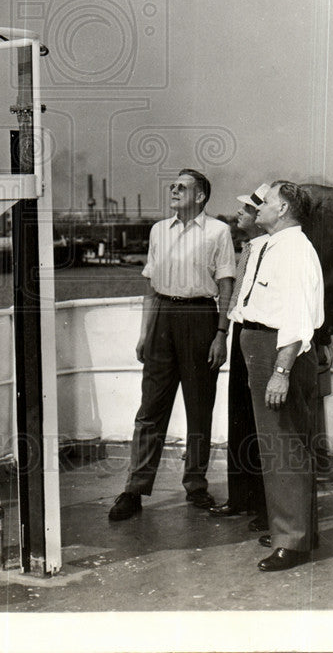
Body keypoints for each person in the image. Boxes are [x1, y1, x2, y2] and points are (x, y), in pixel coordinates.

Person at [108, 168, 236, 520]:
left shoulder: (219, 232)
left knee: (199, 410)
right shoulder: (158, 231)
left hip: (200, 318)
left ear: (201, 197)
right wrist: (144, 333)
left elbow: (226, 286)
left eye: (183, 187)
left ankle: (195, 486)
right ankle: (134, 490)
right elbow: (151, 288)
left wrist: (221, 334)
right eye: (173, 185)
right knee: (150, 409)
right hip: (163, 316)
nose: (174, 190)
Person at [232, 180, 324, 571]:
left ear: (284, 208)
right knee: (284, 443)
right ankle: (299, 528)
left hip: (277, 350)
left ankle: (293, 541)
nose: (260, 208)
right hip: (260, 344)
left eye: (267, 202)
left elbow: (299, 318)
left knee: (282, 444)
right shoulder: (273, 246)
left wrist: (281, 371)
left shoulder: (296, 250)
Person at [208, 185, 270, 528]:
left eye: (248, 209)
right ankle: (240, 497)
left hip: (258, 336)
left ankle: (262, 505)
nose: (240, 214)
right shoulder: (248, 247)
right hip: (242, 335)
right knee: (240, 420)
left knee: (256, 424)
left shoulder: (266, 249)